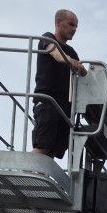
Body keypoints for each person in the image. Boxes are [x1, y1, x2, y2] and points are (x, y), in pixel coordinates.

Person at [31, 9, 87, 159]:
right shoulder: (48, 38)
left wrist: (82, 70)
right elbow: (56, 54)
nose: (74, 29)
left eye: (76, 26)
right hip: (48, 103)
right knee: (42, 147)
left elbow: (82, 74)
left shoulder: (72, 51)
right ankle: (25, 170)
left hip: (65, 109)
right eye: (71, 24)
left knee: (52, 153)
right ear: (58, 23)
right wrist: (71, 62)